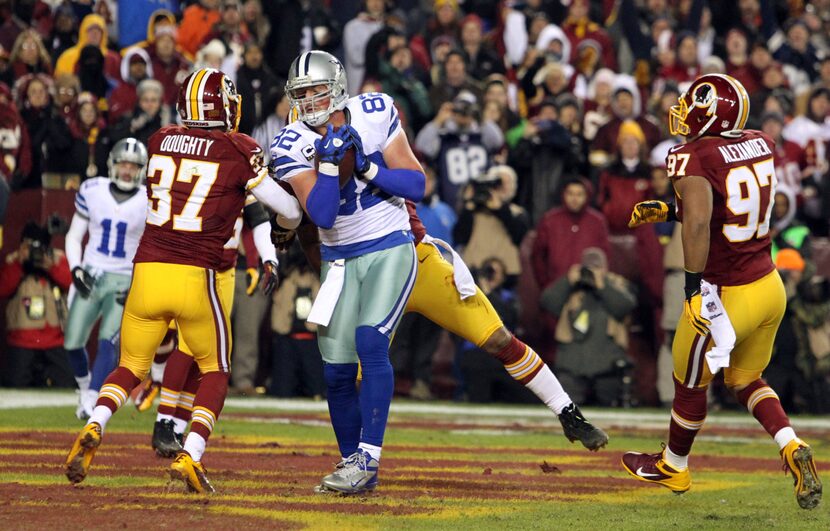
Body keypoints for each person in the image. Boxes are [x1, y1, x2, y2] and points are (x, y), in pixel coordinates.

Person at [64, 67, 303, 494]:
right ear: (225, 105)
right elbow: (285, 207)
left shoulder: (159, 141)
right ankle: (190, 453)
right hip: (197, 276)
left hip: (146, 274)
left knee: (130, 367)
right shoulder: (238, 147)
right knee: (215, 369)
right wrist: (289, 218)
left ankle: (96, 423)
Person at [623, 74, 822, 510]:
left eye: (691, 103)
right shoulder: (761, 141)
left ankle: (674, 465)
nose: (682, 111)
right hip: (768, 286)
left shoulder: (692, 154)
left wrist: (692, 288)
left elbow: (700, 222)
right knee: (746, 379)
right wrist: (670, 209)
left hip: (726, 294)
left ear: (713, 110)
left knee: (688, 380)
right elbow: (727, 206)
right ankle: (791, 445)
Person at [271, 50, 425, 495]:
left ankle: (368, 460)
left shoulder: (374, 110)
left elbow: (416, 183)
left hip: (389, 245)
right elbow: (320, 215)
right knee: (336, 371)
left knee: (371, 341)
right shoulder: (289, 141)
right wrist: (327, 165)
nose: (310, 99)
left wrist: (364, 165)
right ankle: (351, 463)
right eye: (301, 93)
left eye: (316, 89)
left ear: (336, 85)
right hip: (339, 260)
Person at [63, 138, 148, 420]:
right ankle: (86, 390)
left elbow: (151, 250)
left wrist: (138, 283)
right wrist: (76, 269)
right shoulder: (93, 189)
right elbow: (74, 236)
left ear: (142, 169)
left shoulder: (148, 199)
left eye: (133, 166)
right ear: (113, 164)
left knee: (108, 342)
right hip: (92, 272)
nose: (127, 170)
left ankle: (94, 398)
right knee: (72, 342)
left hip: (123, 277)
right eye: (123, 163)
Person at [540, 247, 637, 406]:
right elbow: (547, 302)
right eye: (588, 268)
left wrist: (602, 285)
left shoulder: (616, 284)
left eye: (597, 268)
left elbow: (625, 306)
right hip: (572, 363)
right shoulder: (572, 287)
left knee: (610, 406)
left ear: (605, 268)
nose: (592, 272)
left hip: (607, 363)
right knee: (566, 407)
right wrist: (567, 281)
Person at [0, 222, 73, 388]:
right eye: (31, 247)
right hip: (22, 340)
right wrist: (20, 262)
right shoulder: (13, 260)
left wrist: (52, 267)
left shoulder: (57, 258)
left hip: (55, 341)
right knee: (14, 385)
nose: (36, 253)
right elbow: (3, 289)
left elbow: (72, 285)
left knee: (68, 384)